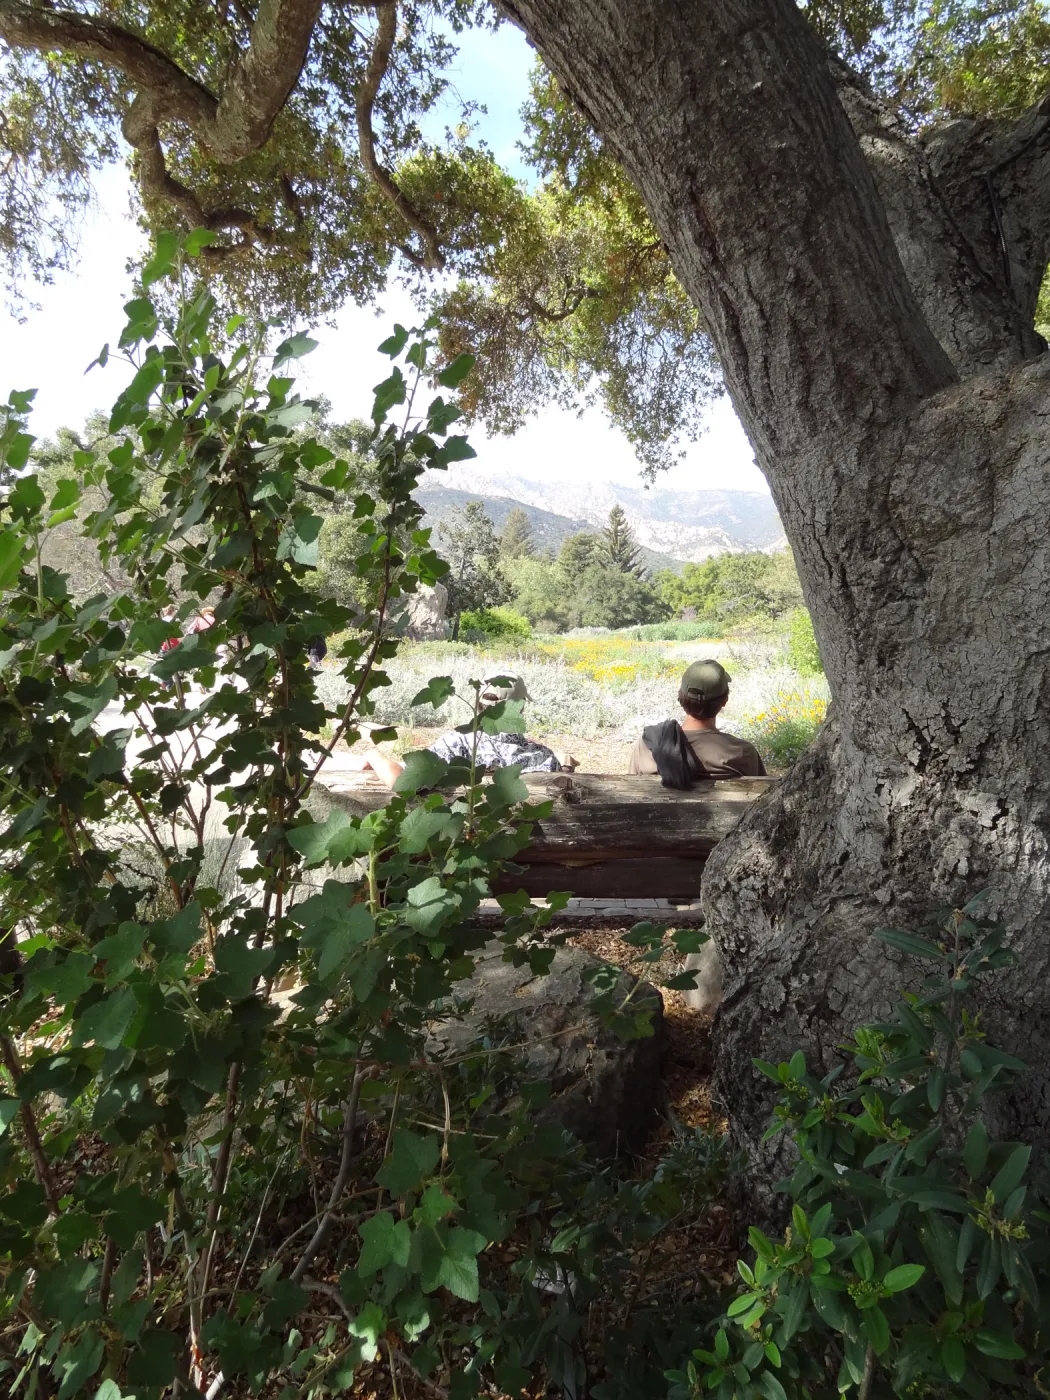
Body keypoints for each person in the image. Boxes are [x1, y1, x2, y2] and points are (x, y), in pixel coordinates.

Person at [347, 672, 561, 787]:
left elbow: (400, 781)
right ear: (521, 708)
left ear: (479, 704)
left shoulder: (458, 744)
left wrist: (372, 755)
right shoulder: (545, 757)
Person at [628, 659, 765, 785]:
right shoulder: (742, 753)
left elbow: (631, 792)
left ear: (680, 697)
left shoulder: (647, 744)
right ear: (724, 701)